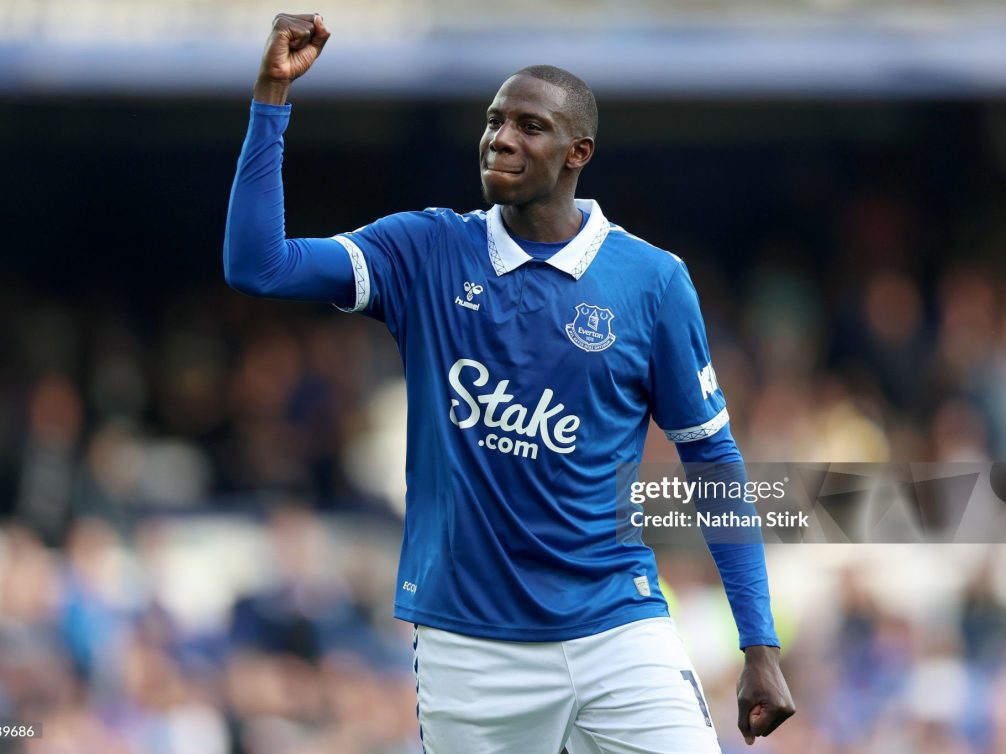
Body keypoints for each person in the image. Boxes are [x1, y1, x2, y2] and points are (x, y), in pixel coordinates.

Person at [224, 12, 795, 754]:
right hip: (470, 646)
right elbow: (257, 264)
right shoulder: (425, 249)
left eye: (530, 125)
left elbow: (712, 461)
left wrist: (760, 644)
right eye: (495, 121)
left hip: (617, 626)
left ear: (577, 153)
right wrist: (272, 97)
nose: (501, 138)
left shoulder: (652, 282)